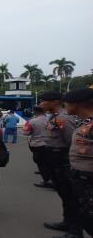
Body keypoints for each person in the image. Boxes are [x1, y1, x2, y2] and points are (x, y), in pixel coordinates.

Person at [39, 91, 80, 235]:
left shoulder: (63, 118)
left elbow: (71, 141)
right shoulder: (55, 117)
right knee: (64, 193)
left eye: (43, 101)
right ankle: (67, 222)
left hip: (62, 159)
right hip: (54, 159)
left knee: (70, 196)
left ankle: (75, 230)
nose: (41, 104)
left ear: (55, 102)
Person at [63, 88, 93, 237]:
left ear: (75, 104)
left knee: (89, 219)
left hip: (89, 179)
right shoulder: (84, 123)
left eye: (66, 103)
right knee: (81, 212)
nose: (65, 106)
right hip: (80, 177)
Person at [23, 106, 52, 188]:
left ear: (35, 112)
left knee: (40, 163)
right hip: (49, 144)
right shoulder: (50, 119)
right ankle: (51, 178)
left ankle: (46, 181)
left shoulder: (32, 121)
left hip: (37, 144)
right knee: (48, 162)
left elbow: (26, 132)